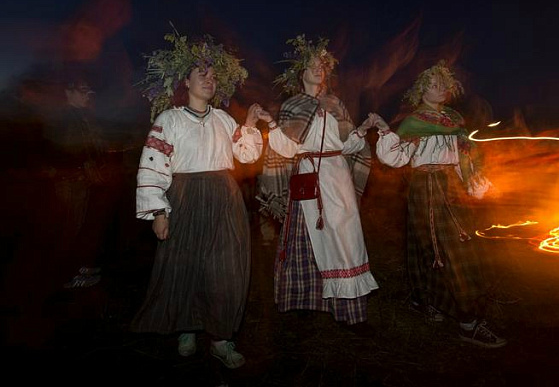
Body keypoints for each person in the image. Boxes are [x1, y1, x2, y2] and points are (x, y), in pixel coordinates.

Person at [131, 29, 271, 368]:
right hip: (185, 197)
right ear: (185, 81)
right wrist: (158, 212)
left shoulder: (224, 119)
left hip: (224, 198)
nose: (209, 80)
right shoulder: (170, 120)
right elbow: (153, 165)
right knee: (186, 265)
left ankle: (222, 338)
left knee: (226, 268)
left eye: (212, 75)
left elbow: (246, 155)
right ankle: (187, 327)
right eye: (201, 73)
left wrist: (250, 124)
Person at [370, 61, 506, 348]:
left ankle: (451, 310)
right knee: (436, 248)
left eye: (444, 83)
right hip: (427, 186)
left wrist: (474, 183)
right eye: (434, 83)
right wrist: (385, 131)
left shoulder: (455, 119)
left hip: (451, 187)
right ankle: (454, 314)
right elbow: (395, 158)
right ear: (421, 90)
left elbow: (462, 156)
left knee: (456, 249)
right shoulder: (413, 121)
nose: (441, 88)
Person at [257, 35, 378, 329]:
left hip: (336, 178)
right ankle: (304, 302)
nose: (318, 70)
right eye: (311, 66)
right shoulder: (292, 105)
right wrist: (271, 124)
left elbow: (348, 145)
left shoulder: (336, 104)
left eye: (322, 67)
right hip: (307, 177)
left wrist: (360, 130)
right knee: (305, 241)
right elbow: (285, 149)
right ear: (301, 75)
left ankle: (347, 309)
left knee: (344, 239)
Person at [47, 75, 108, 289]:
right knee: (68, 229)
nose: (88, 95)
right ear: (68, 92)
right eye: (83, 90)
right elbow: (63, 151)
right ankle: (64, 277)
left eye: (89, 91)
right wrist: (84, 165)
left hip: (79, 182)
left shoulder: (80, 116)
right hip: (69, 183)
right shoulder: (64, 118)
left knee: (76, 227)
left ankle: (72, 268)